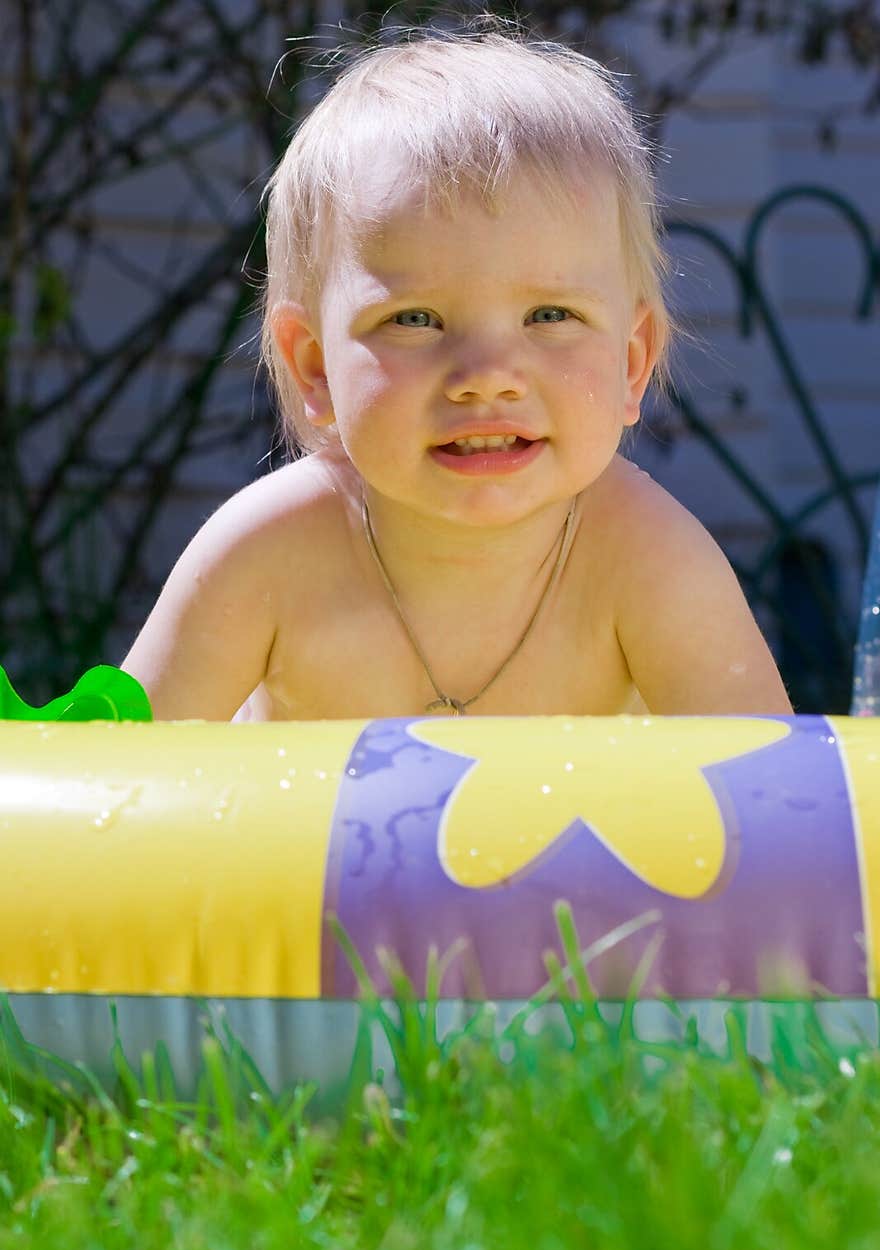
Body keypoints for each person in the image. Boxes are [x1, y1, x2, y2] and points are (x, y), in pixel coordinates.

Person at [121, 18, 793, 722]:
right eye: (416, 320)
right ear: (314, 367)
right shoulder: (265, 556)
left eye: (549, 316)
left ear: (631, 363)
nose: (488, 375)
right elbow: (122, 794)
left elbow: (773, 802)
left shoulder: (649, 561)